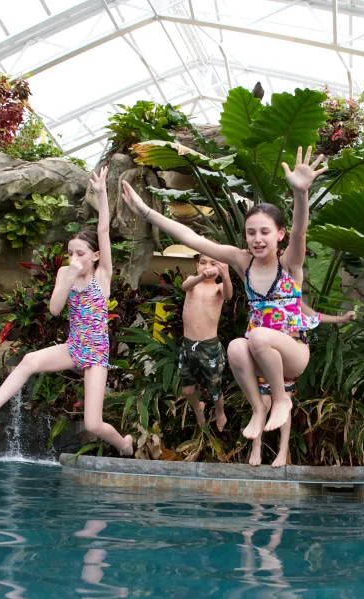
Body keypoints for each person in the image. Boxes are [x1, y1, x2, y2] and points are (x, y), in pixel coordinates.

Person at [119, 146, 326, 440]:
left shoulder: (288, 263)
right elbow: (191, 237)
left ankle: (280, 399)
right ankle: (258, 409)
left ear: (279, 235)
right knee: (235, 347)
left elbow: (300, 232)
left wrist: (301, 193)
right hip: (260, 351)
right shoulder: (243, 262)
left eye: (265, 232)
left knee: (255, 335)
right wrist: (146, 211)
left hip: (293, 351)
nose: (257, 239)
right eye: (251, 232)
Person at [0, 166, 134, 456]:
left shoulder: (103, 276)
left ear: (95, 256)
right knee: (29, 361)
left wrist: (101, 194)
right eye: (71, 253)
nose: (74, 258)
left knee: (93, 424)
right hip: (73, 348)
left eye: (80, 254)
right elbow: (56, 309)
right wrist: (69, 277)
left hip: (96, 353)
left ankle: (124, 444)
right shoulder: (64, 274)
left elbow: (104, 230)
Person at [247, 302, 354, 468]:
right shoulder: (262, 295)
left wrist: (341, 319)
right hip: (266, 353)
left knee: (281, 402)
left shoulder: (293, 296)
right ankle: (256, 447)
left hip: (291, 353)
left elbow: (314, 315)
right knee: (264, 402)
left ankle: (283, 451)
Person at [178, 254, 233, 431]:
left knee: (214, 389)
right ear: (197, 266)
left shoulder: (218, 288)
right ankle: (198, 407)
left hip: (209, 347)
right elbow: (184, 285)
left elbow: (228, 295)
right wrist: (202, 276)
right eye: (203, 263)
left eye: (213, 264)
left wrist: (225, 275)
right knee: (187, 389)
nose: (207, 267)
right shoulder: (192, 284)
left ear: (220, 268)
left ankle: (220, 411)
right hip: (188, 346)